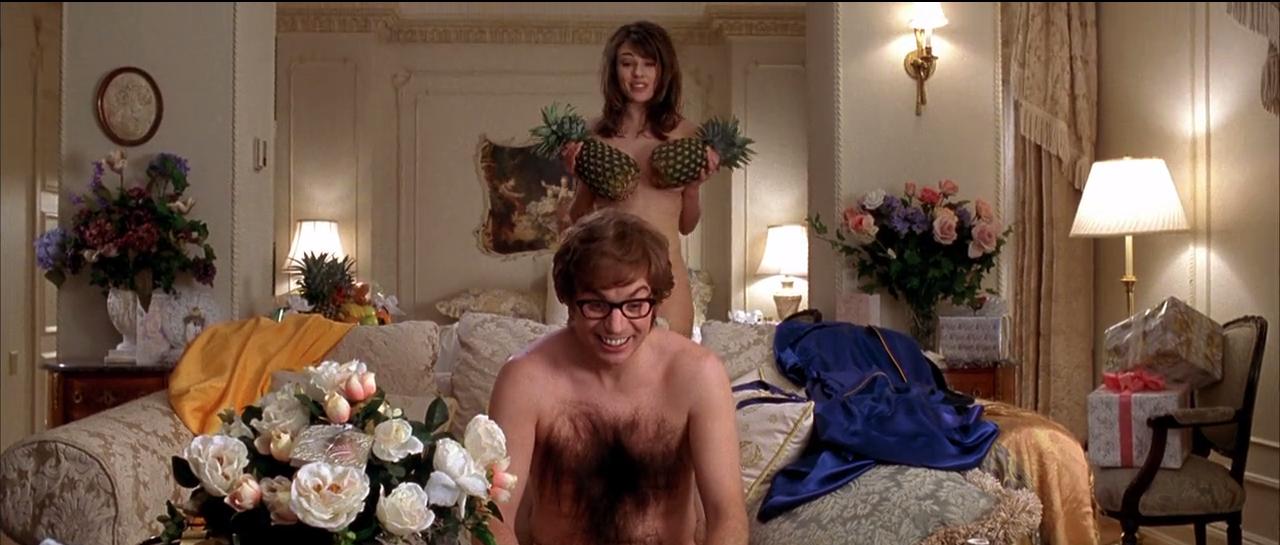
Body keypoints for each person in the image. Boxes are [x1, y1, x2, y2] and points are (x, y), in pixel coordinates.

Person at [487, 208, 748, 545]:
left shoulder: (699, 374)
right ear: (570, 301)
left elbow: (728, 517)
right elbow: (492, 520)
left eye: (635, 305)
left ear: (655, 301)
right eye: (596, 305)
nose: (616, 325)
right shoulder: (524, 379)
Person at [562, 21, 720, 338]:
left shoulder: (688, 134)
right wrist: (579, 176)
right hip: (607, 274)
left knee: (669, 363)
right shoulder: (592, 135)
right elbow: (579, 217)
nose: (638, 74)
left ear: (664, 71)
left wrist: (693, 187)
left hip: (667, 277)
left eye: (650, 64)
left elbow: (686, 225)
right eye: (627, 63)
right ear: (614, 70)